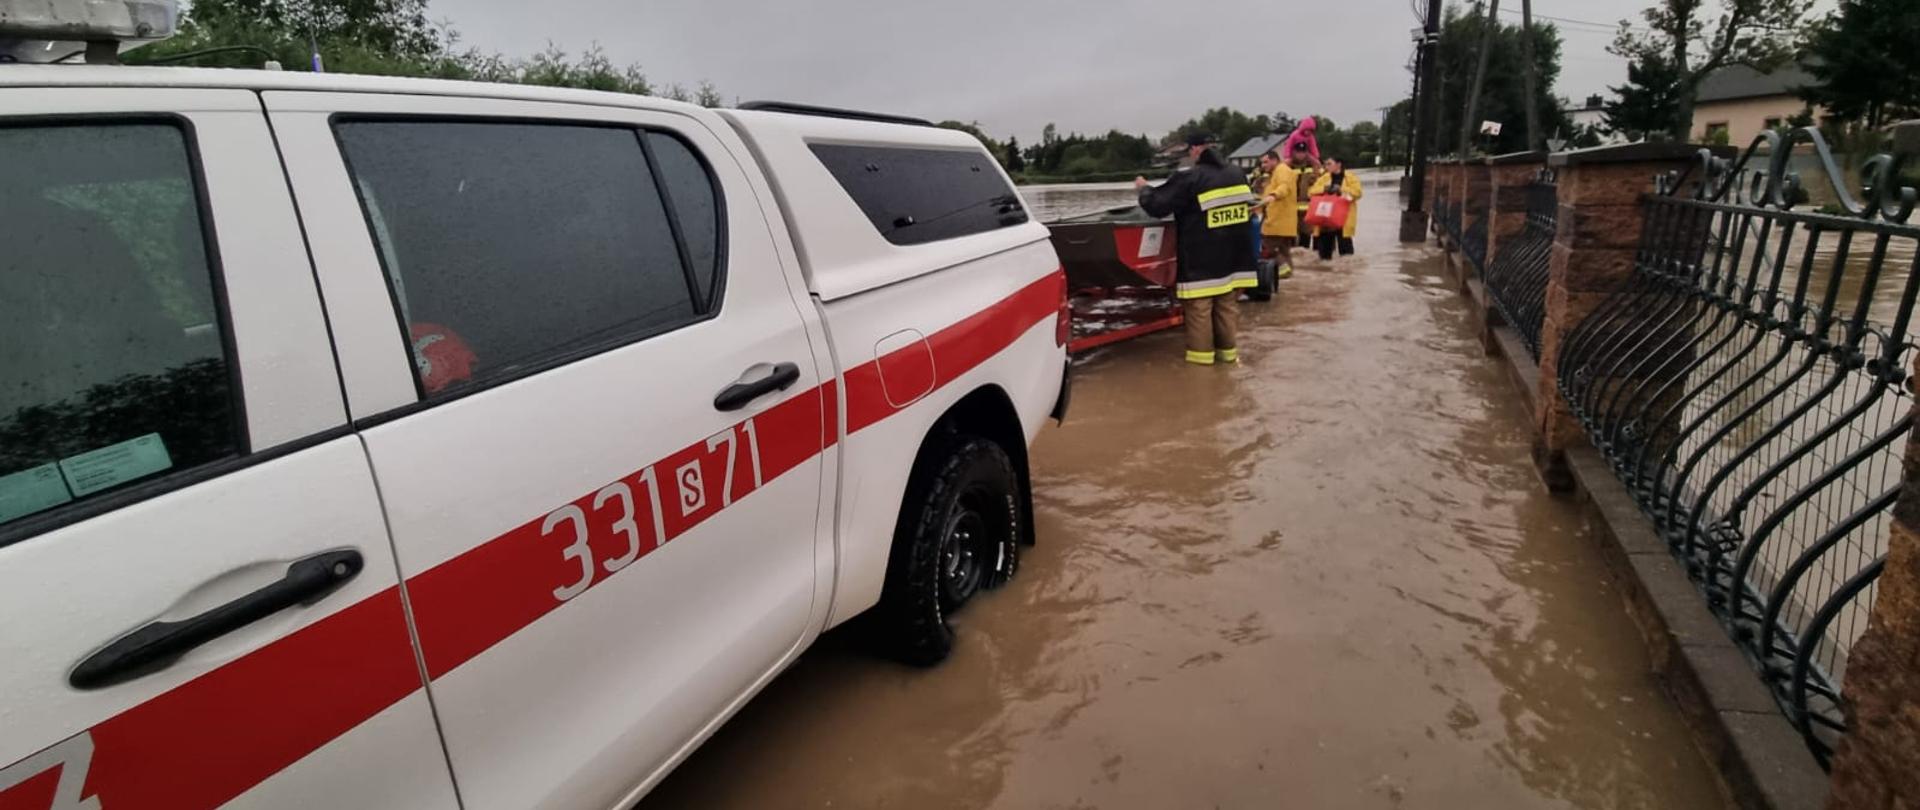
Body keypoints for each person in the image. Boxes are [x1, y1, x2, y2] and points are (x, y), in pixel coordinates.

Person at [1134, 132, 1259, 365]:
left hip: (1202, 262)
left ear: (1194, 150)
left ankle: (1202, 374)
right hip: (1235, 260)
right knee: (1226, 307)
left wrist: (1143, 189)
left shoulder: (1191, 178)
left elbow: (1158, 205)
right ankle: (1228, 362)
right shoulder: (1238, 174)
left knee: (1199, 311)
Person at [1257, 146, 1322, 280]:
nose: (1263, 166)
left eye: (1265, 162)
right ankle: (1288, 278)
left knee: (1267, 250)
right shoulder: (1275, 173)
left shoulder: (1282, 171)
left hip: (1277, 223)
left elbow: (1284, 187)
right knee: (1284, 252)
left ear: (1274, 160)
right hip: (1284, 223)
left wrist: (1274, 195)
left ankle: (1281, 273)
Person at [1308, 156, 1364, 259]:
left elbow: (1358, 193)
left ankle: (1346, 272)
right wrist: (1324, 189)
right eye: (1325, 164)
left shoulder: (1350, 177)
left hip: (1343, 218)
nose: (1326, 166)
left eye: (1329, 164)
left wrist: (1341, 189)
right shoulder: (1324, 178)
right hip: (1326, 219)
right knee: (1324, 254)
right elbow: (1311, 192)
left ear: (1339, 165)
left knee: (1346, 253)